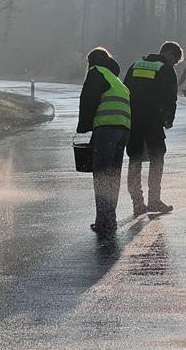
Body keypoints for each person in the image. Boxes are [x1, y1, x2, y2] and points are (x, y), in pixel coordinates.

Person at [124, 41, 183, 216]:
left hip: (133, 120)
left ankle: (137, 203)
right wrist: (168, 119)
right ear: (170, 55)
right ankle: (154, 200)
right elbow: (170, 98)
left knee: (134, 160)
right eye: (175, 62)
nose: (173, 65)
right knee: (157, 157)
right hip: (152, 121)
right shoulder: (166, 69)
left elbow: (125, 89)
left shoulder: (135, 65)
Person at [77, 47, 131, 236]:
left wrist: (83, 126)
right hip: (123, 129)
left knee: (101, 174)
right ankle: (110, 219)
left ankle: (103, 222)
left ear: (92, 61)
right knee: (113, 174)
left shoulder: (96, 72)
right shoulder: (114, 78)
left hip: (107, 129)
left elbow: (88, 100)